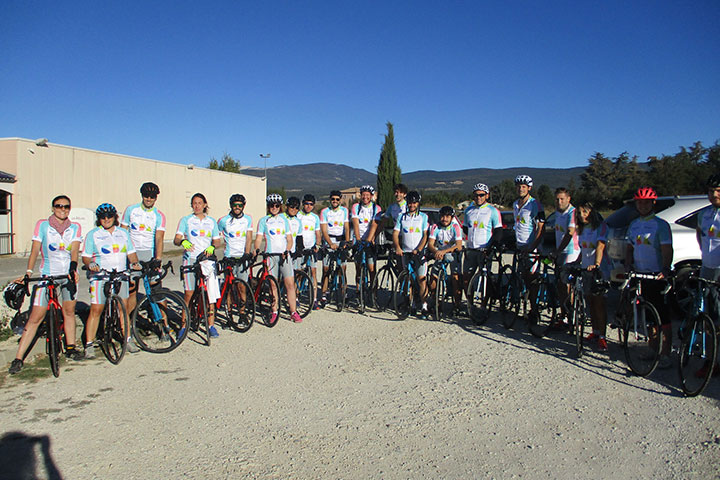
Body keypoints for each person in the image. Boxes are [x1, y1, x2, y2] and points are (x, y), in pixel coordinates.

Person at [8, 196, 83, 374]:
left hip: (67, 274)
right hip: (47, 273)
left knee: (69, 311)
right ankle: (18, 358)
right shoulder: (43, 225)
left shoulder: (75, 227)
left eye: (66, 206)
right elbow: (35, 250)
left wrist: (73, 268)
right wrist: (28, 272)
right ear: (53, 208)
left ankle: (71, 347)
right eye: (59, 206)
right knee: (35, 317)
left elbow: (74, 250)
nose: (63, 209)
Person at [82, 203, 142, 358]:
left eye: (109, 216)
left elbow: (131, 253)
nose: (106, 219)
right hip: (100, 276)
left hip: (121, 275)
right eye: (103, 217)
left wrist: (135, 263)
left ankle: (127, 339)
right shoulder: (93, 234)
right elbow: (86, 257)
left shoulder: (123, 233)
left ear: (115, 217)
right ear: (99, 219)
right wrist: (91, 264)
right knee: (96, 309)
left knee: (123, 308)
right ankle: (89, 344)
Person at [624, 186, 673, 368]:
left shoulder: (661, 225)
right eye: (639, 202)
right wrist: (628, 264)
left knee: (663, 316)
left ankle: (666, 353)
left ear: (653, 203)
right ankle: (653, 349)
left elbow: (667, 249)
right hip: (640, 274)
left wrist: (666, 268)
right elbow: (630, 248)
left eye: (646, 202)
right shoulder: (634, 224)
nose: (643, 205)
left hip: (656, 275)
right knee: (648, 315)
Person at [174, 193, 222, 338]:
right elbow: (177, 238)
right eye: (194, 203)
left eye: (200, 203)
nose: (197, 206)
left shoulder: (211, 221)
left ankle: (211, 325)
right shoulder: (186, 220)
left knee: (209, 294)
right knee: (188, 294)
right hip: (190, 259)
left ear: (205, 205)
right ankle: (183, 326)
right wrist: (183, 242)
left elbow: (217, 241)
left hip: (206, 261)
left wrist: (213, 248)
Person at [254, 193, 302, 323]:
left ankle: (293, 312)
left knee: (290, 284)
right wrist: (257, 249)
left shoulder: (284, 220)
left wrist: (287, 249)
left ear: (280, 206)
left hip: (284, 256)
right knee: (273, 286)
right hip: (271, 256)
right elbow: (258, 238)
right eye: (271, 205)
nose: (274, 207)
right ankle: (274, 311)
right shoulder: (264, 221)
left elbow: (289, 239)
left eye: (276, 205)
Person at [121, 182, 166, 316]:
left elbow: (159, 238)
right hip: (132, 254)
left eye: (152, 196)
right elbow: (123, 233)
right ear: (142, 195)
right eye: (146, 195)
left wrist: (158, 258)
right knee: (132, 290)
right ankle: (129, 324)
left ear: (156, 198)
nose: (149, 199)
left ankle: (165, 325)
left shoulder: (159, 215)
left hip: (149, 254)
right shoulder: (131, 210)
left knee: (156, 289)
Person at [694, 173, 720, 374]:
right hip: (708, 268)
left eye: (718, 191)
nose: (714, 194)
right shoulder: (704, 214)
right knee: (709, 318)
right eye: (711, 191)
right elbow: (699, 234)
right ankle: (711, 361)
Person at [577, 201, 610, 351]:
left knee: (599, 303)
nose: (582, 215)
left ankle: (603, 336)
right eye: (579, 212)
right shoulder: (582, 228)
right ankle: (595, 332)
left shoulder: (601, 227)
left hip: (599, 269)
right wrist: (575, 263)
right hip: (586, 268)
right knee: (589, 301)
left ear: (592, 212)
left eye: (585, 212)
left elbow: (600, 246)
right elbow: (582, 250)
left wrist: (596, 264)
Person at [512, 175, 546, 320]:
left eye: (524, 187)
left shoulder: (535, 205)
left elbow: (541, 228)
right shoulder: (515, 204)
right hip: (520, 247)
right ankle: (523, 308)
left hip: (532, 248)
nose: (521, 189)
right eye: (519, 186)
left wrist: (533, 246)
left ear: (529, 188)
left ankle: (534, 310)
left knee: (533, 280)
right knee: (522, 278)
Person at [393, 191, 430, 318]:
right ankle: (412, 303)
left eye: (414, 202)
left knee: (421, 279)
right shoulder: (401, 217)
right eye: (410, 202)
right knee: (408, 278)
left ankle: (424, 305)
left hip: (419, 253)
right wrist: (397, 247)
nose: (412, 205)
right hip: (406, 253)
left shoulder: (423, 217)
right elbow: (395, 233)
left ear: (418, 203)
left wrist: (419, 249)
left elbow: (425, 235)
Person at [463, 182, 503, 298]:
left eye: (481, 195)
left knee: (485, 279)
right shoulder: (468, 211)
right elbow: (466, 228)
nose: (478, 198)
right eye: (476, 195)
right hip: (471, 250)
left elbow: (498, 231)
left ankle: (484, 306)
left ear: (487, 195)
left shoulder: (493, 211)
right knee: (466, 278)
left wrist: (492, 247)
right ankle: (470, 305)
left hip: (485, 250)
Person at [218, 193, 253, 308]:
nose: (237, 207)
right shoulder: (223, 220)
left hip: (242, 257)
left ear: (243, 206)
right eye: (235, 205)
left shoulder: (248, 219)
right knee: (229, 288)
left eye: (240, 205)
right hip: (229, 256)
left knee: (242, 286)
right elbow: (216, 237)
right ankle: (229, 312)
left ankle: (242, 312)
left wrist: (247, 253)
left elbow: (249, 237)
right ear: (231, 205)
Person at [552, 187, 580, 326]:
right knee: (560, 285)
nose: (559, 202)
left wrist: (558, 251)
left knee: (567, 285)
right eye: (557, 199)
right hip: (561, 252)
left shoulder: (573, 212)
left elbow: (570, 233)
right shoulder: (558, 213)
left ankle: (571, 315)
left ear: (568, 199)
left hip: (571, 252)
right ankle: (564, 314)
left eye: (562, 199)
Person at [427, 205, 463, 311]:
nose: (444, 219)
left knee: (455, 278)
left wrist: (443, 251)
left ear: (452, 218)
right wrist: (436, 251)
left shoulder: (455, 227)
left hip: (453, 253)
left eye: (448, 216)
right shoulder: (435, 227)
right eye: (443, 216)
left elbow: (459, 245)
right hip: (440, 253)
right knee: (433, 277)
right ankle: (435, 301)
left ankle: (457, 305)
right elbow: (430, 244)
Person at [319, 190, 350, 307]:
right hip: (329, 241)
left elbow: (347, 227)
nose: (335, 201)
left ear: (340, 200)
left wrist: (346, 242)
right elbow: (324, 230)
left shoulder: (344, 211)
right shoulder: (324, 211)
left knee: (343, 269)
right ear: (330, 200)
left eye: (337, 199)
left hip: (340, 240)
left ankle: (344, 292)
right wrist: (330, 243)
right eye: (333, 199)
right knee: (326, 269)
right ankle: (323, 294)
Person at [351, 185, 383, 289]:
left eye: (367, 195)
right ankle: (358, 290)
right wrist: (358, 239)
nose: (365, 197)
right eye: (363, 195)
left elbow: (375, 225)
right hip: (358, 238)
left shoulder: (376, 208)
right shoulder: (356, 206)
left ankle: (373, 292)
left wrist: (370, 240)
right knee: (358, 267)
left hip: (370, 239)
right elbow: (355, 224)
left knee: (371, 268)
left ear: (371, 196)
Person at [297, 194, 322, 309]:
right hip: (300, 250)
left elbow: (317, 233)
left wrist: (317, 244)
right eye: (306, 203)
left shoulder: (315, 218)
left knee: (313, 273)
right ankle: (296, 297)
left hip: (311, 248)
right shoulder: (297, 215)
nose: (308, 206)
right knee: (299, 274)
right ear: (303, 204)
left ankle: (314, 299)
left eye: (311, 204)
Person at [368, 183, 407, 247]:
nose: (398, 195)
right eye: (396, 192)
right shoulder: (391, 207)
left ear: (405, 194)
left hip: (407, 236)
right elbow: (383, 223)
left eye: (400, 193)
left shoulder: (408, 206)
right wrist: (374, 236)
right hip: (397, 236)